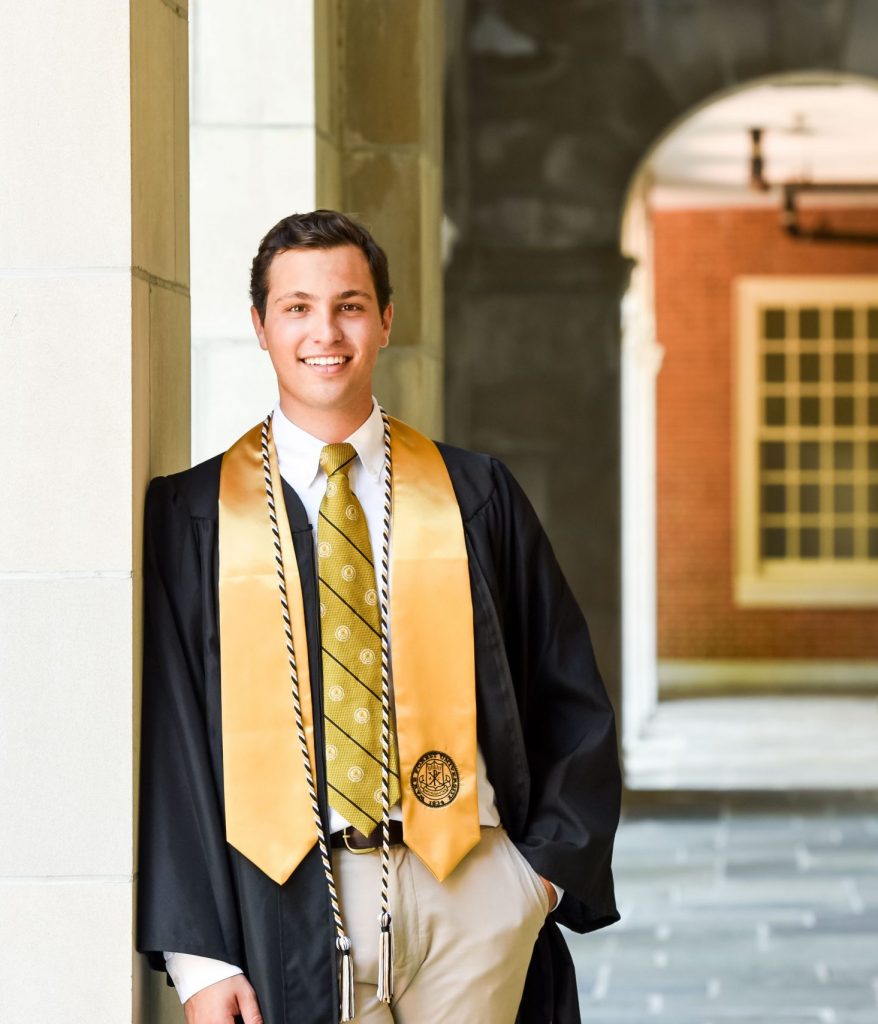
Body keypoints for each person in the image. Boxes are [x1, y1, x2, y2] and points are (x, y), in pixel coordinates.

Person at [136, 209, 621, 1024]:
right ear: (259, 326)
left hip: (471, 883)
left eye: (350, 305)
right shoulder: (195, 518)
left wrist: (536, 883)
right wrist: (200, 959)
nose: (325, 331)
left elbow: (565, 682)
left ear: (386, 320)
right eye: (297, 307)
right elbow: (173, 739)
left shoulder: (475, 495)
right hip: (289, 894)